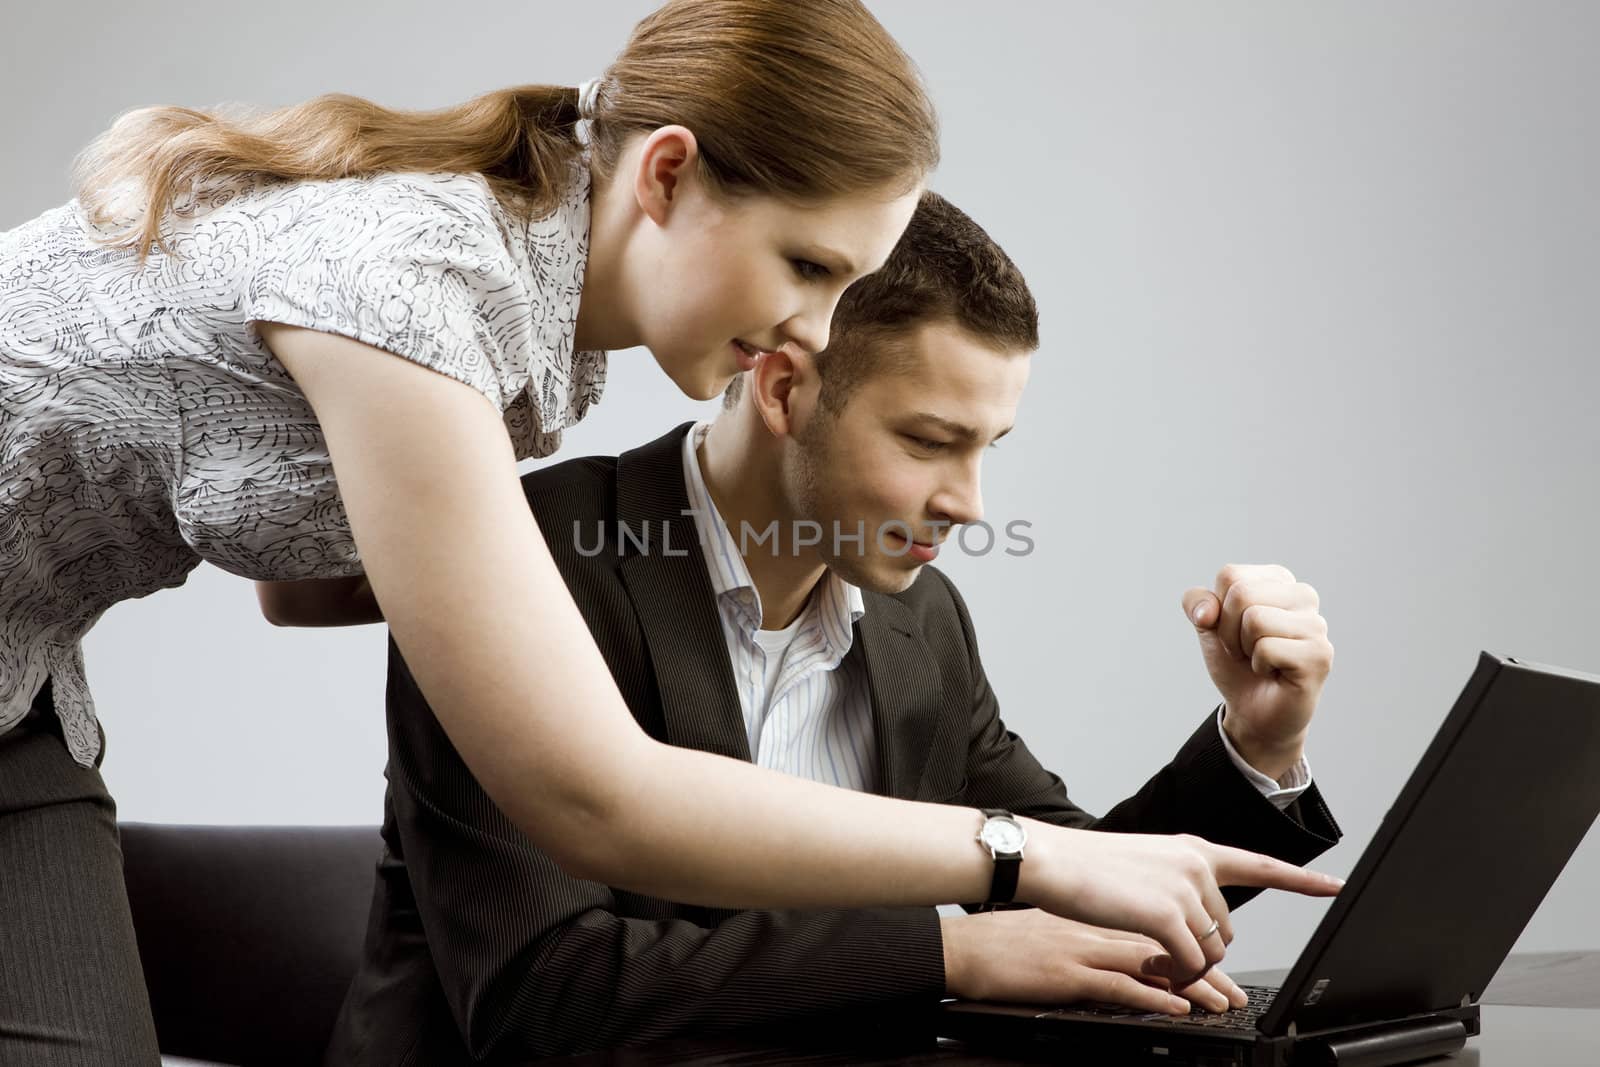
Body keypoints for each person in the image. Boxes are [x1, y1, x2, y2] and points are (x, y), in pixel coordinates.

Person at [0, 1, 1336, 1061]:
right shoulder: (411, 285)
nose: (813, 334)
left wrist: (1251, 752)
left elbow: (293, 581)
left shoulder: (523, 346)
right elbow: (592, 798)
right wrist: (1003, 867)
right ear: (670, 173)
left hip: (23, 698)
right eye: (808, 266)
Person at [316, 192, 1341, 1062]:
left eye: (987, 446)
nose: (969, 503)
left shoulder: (918, 616)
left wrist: (1256, 746)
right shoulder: (521, 565)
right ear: (782, 386)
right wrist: (949, 950)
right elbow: (543, 995)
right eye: (930, 440)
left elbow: (1064, 880)